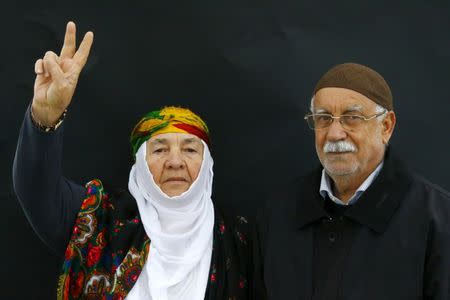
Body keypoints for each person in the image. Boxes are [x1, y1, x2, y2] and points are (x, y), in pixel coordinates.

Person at [13, 21, 260, 300]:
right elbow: (37, 193)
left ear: (207, 165)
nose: (175, 162)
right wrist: (45, 115)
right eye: (159, 150)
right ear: (140, 165)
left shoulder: (240, 240)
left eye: (190, 150)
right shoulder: (100, 219)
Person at [255, 63, 450, 299]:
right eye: (324, 118)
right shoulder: (277, 213)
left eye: (352, 117)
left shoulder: (437, 218)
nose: (335, 133)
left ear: (386, 126)